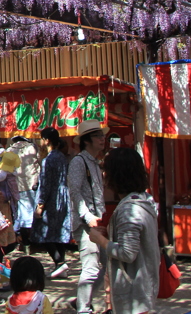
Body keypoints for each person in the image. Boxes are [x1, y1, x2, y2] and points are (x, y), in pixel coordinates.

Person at [88, 147, 159, 314]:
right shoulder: (143, 200)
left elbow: (127, 253)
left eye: (106, 170)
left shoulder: (129, 210)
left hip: (134, 295)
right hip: (140, 290)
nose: (103, 175)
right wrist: (110, 233)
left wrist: (101, 240)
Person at [68, 120, 108, 314]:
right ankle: (83, 309)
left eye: (102, 135)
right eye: (98, 136)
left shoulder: (94, 162)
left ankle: (82, 299)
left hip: (97, 221)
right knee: (91, 266)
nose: (103, 139)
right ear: (86, 141)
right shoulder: (78, 161)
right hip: (87, 224)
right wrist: (87, 216)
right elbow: (74, 192)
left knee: (108, 264)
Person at [31, 127, 71, 278]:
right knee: (58, 232)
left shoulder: (49, 160)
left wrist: (40, 205)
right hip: (62, 196)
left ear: (46, 140)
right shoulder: (61, 157)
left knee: (44, 232)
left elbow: (46, 184)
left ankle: (59, 262)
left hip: (52, 198)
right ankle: (61, 265)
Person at [8, 136, 41, 244]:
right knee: (30, 216)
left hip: (16, 187)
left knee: (19, 213)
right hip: (31, 185)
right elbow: (39, 162)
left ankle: (21, 240)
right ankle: (28, 242)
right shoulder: (32, 148)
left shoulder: (9, 150)